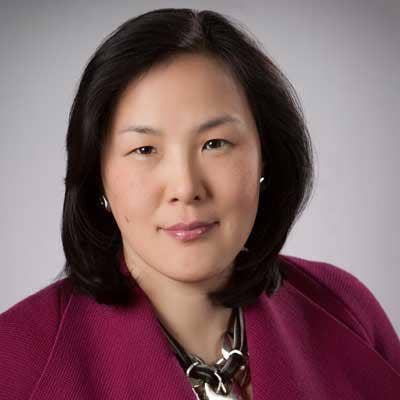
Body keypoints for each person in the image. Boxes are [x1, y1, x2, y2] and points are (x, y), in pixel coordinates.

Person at [1, 7, 399, 400]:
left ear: (266, 157)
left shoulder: (345, 308)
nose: (186, 187)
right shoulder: (16, 360)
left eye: (215, 143)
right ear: (97, 174)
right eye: (144, 149)